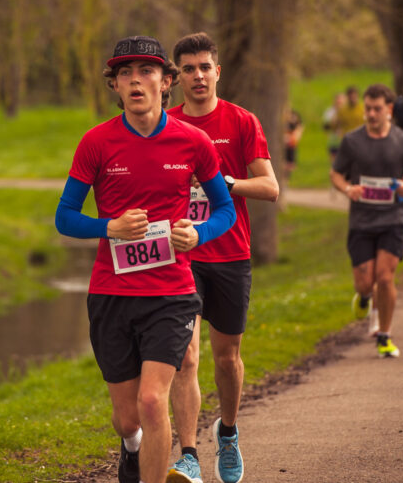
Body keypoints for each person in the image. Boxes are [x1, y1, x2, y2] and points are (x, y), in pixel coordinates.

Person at [54, 35, 236, 483]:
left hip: (171, 294)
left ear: (166, 80)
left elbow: (225, 210)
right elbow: (64, 217)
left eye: (147, 72)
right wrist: (107, 227)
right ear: (115, 85)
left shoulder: (192, 142)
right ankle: (131, 448)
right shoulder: (96, 143)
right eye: (124, 74)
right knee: (128, 418)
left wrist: (199, 233)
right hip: (111, 293)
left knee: (154, 401)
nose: (136, 81)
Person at [166, 32, 279, 483]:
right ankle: (189, 454)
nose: (197, 75)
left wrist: (224, 185)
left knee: (226, 358)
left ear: (217, 71)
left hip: (230, 252)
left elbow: (270, 188)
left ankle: (227, 433)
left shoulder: (241, 121)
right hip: (181, 256)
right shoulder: (165, 124)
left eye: (204, 67)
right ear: (177, 77)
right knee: (185, 357)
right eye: (189, 69)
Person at [330, 84, 403, 358]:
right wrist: (347, 189)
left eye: (377, 109)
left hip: (392, 220)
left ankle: (385, 336)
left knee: (385, 278)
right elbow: (336, 174)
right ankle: (364, 297)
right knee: (366, 282)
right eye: (368, 109)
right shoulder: (352, 141)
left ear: (389, 109)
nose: (371, 114)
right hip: (362, 223)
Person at [323, 93, 346, 164]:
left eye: (341, 101)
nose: (339, 103)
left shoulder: (348, 112)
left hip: (347, 141)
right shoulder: (329, 112)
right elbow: (325, 127)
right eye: (338, 101)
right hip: (334, 141)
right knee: (334, 163)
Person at [283, 107, 303, 182]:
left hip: (291, 145)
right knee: (286, 164)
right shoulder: (285, 122)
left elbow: (297, 134)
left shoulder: (296, 124)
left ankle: (285, 180)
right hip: (286, 145)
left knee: (290, 165)